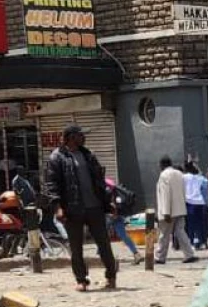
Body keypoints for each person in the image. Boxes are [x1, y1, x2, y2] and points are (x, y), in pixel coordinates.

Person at [44, 123, 117, 292]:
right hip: (72, 210)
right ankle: (81, 280)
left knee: (104, 244)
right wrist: (58, 208)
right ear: (71, 137)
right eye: (80, 135)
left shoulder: (89, 155)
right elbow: (51, 185)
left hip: (95, 207)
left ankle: (111, 276)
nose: (84, 138)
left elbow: (100, 181)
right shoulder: (56, 158)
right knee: (76, 248)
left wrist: (108, 202)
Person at [155, 156, 196, 265]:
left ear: (162, 165)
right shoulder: (179, 174)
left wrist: (166, 212)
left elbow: (165, 194)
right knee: (181, 232)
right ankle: (189, 254)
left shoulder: (164, 175)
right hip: (180, 209)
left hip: (168, 211)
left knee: (164, 234)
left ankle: (160, 257)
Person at [106, 178, 142, 265]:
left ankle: (102, 258)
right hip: (118, 213)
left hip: (110, 215)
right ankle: (136, 254)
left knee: (102, 236)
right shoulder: (111, 184)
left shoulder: (103, 185)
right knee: (123, 236)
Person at [183, 162, 208, 250]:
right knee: (200, 224)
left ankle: (192, 242)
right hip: (200, 202)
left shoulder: (184, 177)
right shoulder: (200, 178)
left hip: (190, 202)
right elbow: (206, 182)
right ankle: (201, 242)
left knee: (190, 224)